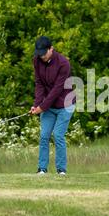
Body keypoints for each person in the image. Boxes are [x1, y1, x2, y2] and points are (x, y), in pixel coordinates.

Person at [29, 36, 76, 175]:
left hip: (65, 103)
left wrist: (41, 108)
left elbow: (57, 89)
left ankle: (61, 170)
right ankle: (42, 168)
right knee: (44, 135)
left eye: (44, 52)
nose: (42, 56)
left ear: (51, 49)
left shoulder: (63, 63)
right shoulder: (37, 61)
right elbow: (39, 84)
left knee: (58, 135)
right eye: (39, 53)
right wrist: (36, 105)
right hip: (48, 106)